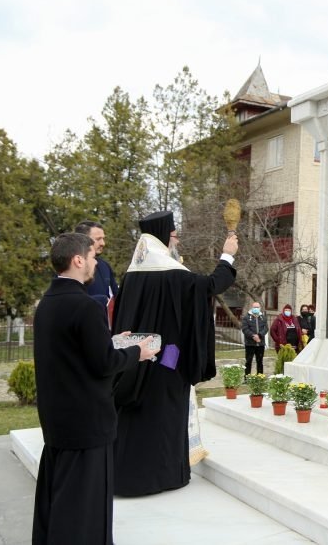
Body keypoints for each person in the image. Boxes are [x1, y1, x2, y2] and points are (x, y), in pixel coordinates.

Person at [32, 233, 158, 545]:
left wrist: (111, 342)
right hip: (87, 423)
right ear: (78, 260)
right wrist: (137, 352)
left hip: (58, 419)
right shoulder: (86, 306)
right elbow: (103, 364)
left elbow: (72, 353)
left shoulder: (46, 304)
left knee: (61, 497)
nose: (96, 263)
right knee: (84, 508)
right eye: (92, 257)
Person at [112, 211, 237, 497]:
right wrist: (227, 255)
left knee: (134, 417)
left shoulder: (132, 274)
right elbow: (209, 286)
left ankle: (125, 475)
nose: (176, 240)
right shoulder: (172, 273)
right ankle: (162, 476)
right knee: (163, 415)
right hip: (168, 359)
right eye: (174, 235)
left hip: (133, 359)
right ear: (162, 236)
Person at [74, 221, 118, 326]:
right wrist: (100, 300)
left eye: (103, 238)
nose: (103, 243)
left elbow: (116, 297)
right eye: (98, 239)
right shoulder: (72, 267)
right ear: (83, 240)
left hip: (105, 328)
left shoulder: (104, 266)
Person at [242, 301, 268, 373]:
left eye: (257, 307)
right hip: (250, 344)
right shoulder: (246, 317)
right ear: (252, 308)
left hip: (260, 343)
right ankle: (247, 377)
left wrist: (259, 335)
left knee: (260, 361)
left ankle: (260, 377)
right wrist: (253, 336)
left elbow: (266, 328)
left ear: (260, 308)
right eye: (254, 307)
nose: (256, 308)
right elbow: (245, 329)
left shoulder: (263, 317)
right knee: (248, 361)